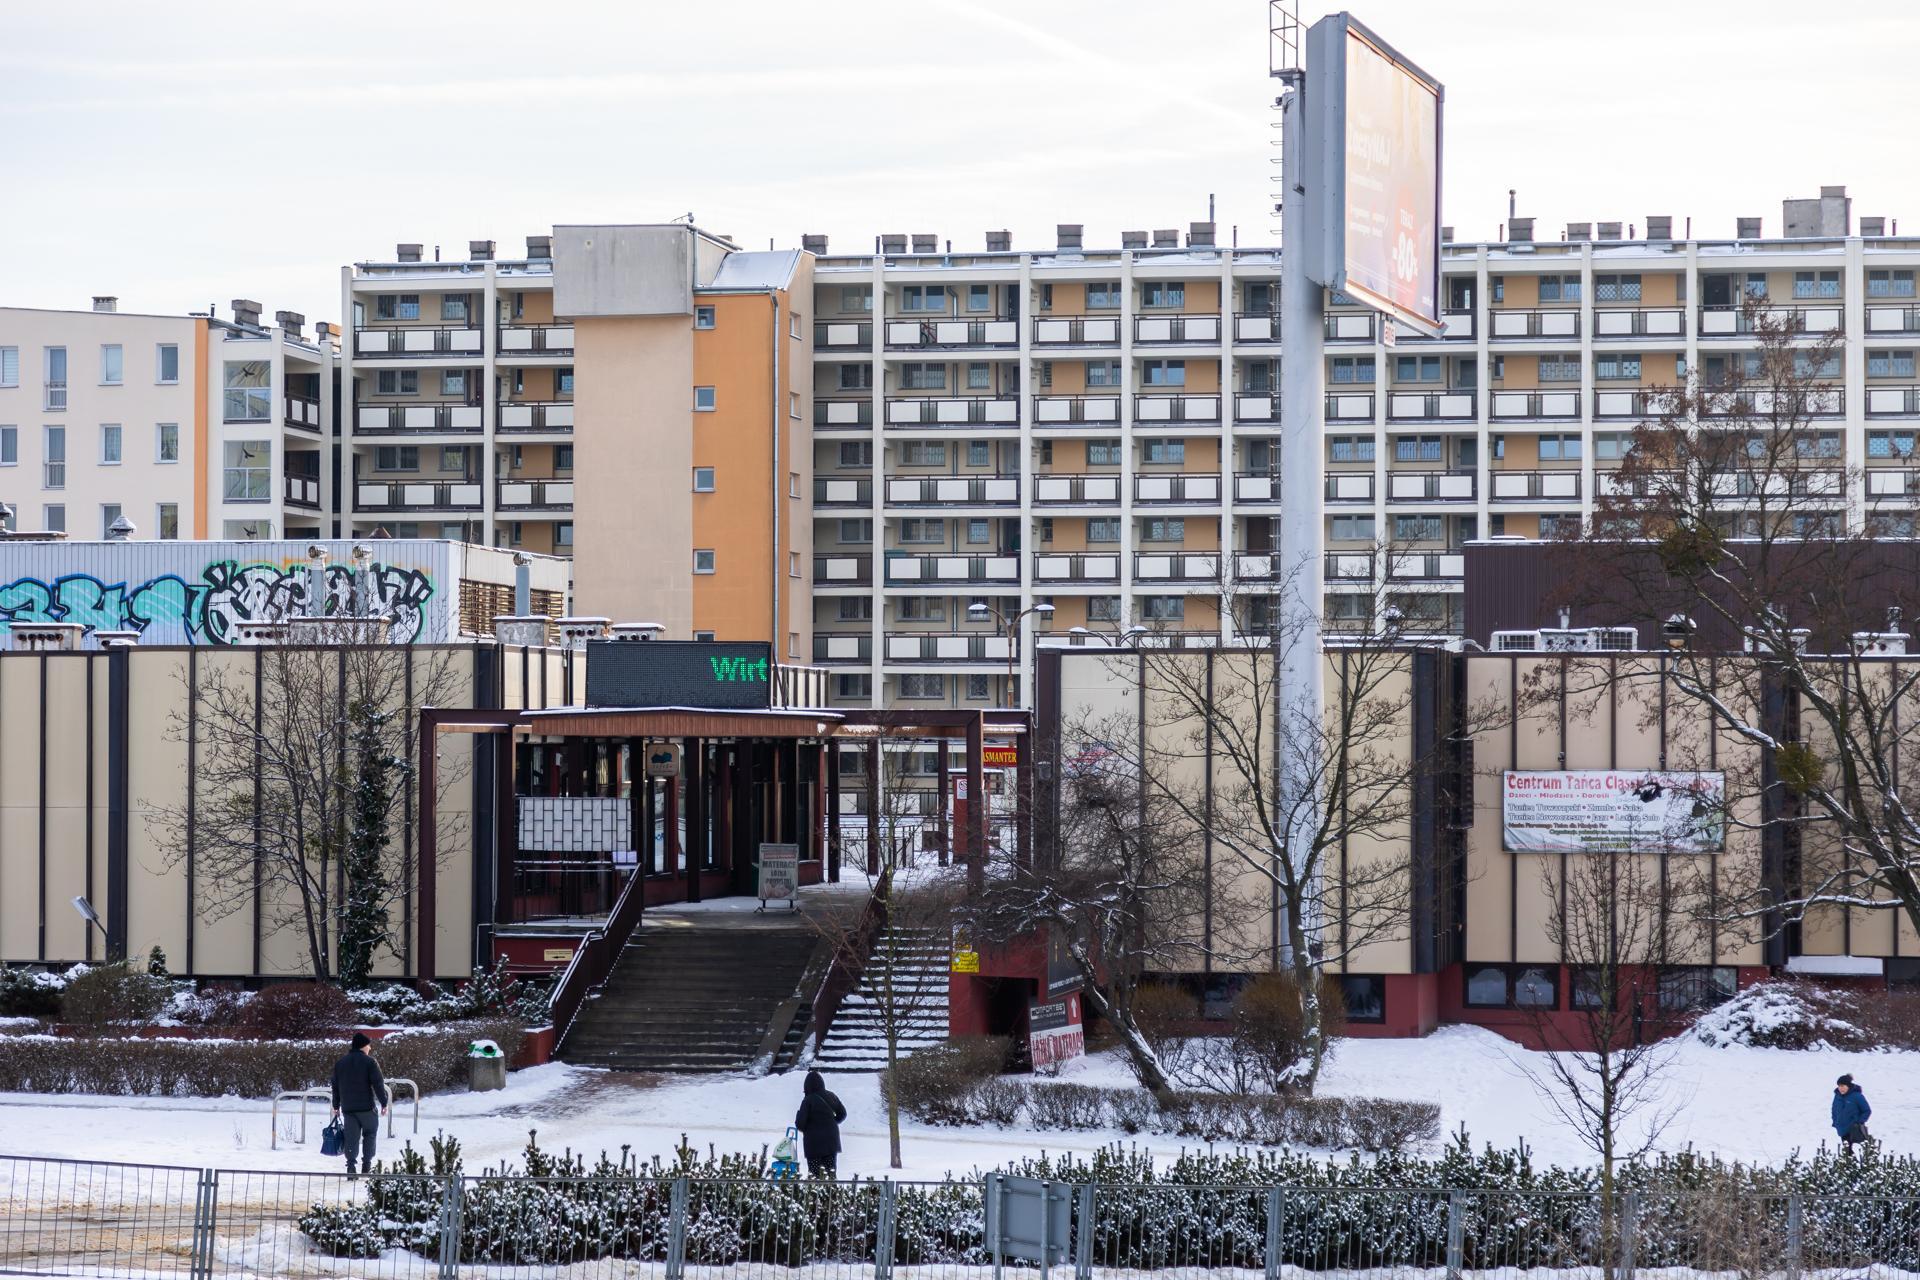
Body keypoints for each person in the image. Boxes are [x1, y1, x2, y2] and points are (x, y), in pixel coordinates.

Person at [330, 1032, 390, 1176]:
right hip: (367, 1108)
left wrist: (336, 1105)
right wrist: (384, 1102)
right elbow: (378, 1084)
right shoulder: (370, 1062)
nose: (370, 1048)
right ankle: (366, 1165)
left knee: (351, 1137)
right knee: (370, 1134)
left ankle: (351, 1166)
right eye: (369, 1045)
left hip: (349, 1109)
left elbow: (335, 1086)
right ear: (363, 1046)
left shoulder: (340, 1063)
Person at [794, 1070, 847, 1177]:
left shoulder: (808, 1100)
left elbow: (800, 1124)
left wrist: (800, 1115)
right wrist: (831, 1122)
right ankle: (832, 1193)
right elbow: (843, 1114)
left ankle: (816, 1193)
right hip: (831, 1142)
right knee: (830, 1173)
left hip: (814, 1145)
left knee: (815, 1176)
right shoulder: (832, 1096)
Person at [1832, 1073, 1872, 1146]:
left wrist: (1859, 1122)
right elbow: (1834, 1110)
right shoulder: (1837, 1097)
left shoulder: (1857, 1096)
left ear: (1848, 1086)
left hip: (1854, 1129)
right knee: (1847, 1152)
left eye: (1843, 1086)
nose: (1841, 1088)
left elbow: (1867, 1111)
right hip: (1842, 1129)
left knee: (1855, 1151)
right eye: (1839, 1086)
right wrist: (1835, 1122)